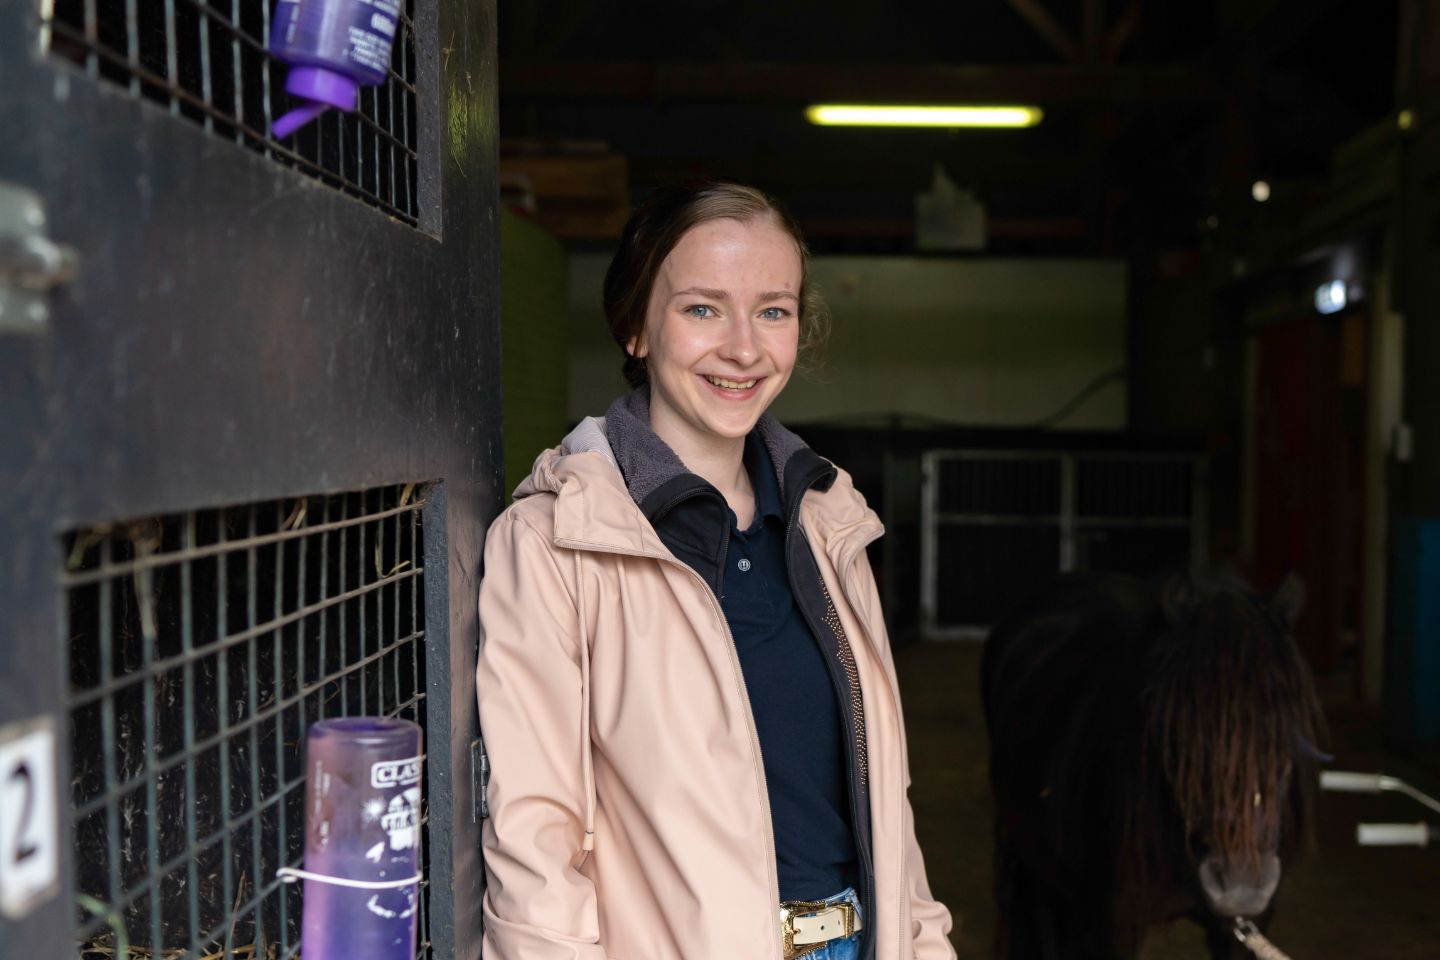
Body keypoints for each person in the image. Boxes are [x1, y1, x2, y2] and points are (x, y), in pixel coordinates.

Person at [475, 182, 955, 960]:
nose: (744, 348)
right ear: (635, 326)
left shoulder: (829, 520)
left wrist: (925, 943)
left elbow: (885, 801)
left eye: (774, 310)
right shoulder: (553, 542)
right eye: (702, 309)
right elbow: (536, 835)